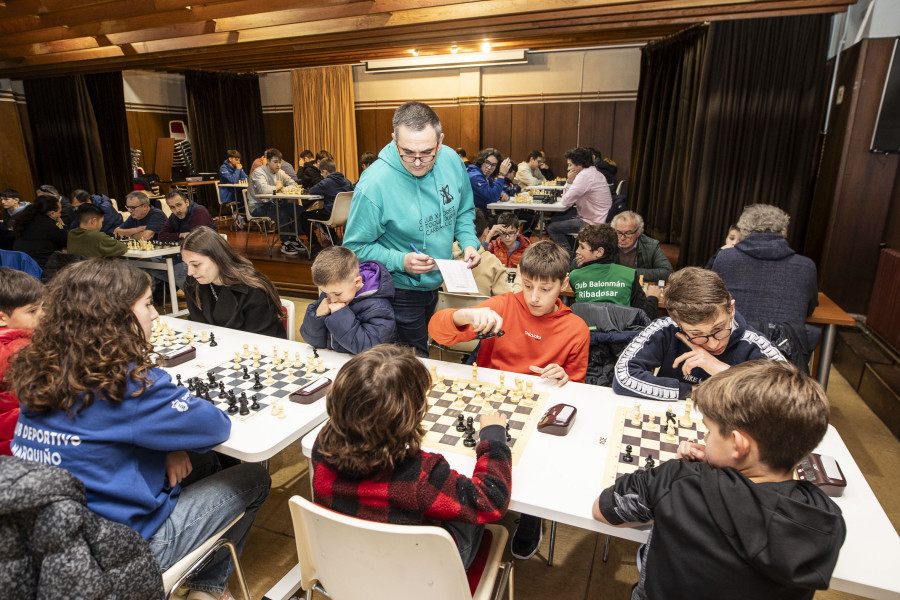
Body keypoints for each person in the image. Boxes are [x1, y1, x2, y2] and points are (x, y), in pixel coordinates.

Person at [7, 260, 271, 600]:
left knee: (202, 463)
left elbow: (110, 431)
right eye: (148, 303)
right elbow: (214, 425)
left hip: (52, 544)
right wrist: (153, 381)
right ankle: (207, 590)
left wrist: (170, 446)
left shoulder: (41, 368)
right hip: (125, 556)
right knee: (255, 479)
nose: (157, 315)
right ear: (116, 316)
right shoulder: (127, 384)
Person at [594, 360, 846, 600]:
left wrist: (683, 473)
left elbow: (603, 509)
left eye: (710, 431)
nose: (705, 439)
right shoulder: (825, 516)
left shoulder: (680, 481)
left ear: (738, 445)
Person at [428, 240, 588, 560]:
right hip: (490, 403)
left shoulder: (576, 329)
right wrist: (462, 314)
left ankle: (532, 517)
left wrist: (565, 377)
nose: (534, 297)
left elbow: (577, 391)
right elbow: (438, 332)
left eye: (545, 288)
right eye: (528, 286)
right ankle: (469, 505)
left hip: (539, 409)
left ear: (563, 283)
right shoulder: (502, 305)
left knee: (539, 461)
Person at [311, 344, 511, 570]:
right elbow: (492, 500)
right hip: (416, 578)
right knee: (466, 511)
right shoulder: (422, 476)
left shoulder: (321, 445)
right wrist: (493, 438)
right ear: (411, 414)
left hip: (341, 563)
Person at [343, 101, 482, 357]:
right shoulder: (374, 183)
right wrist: (401, 260)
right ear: (394, 140)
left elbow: (463, 209)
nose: (418, 162)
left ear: (441, 141)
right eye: (408, 152)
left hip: (435, 281)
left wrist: (468, 241)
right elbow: (353, 247)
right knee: (413, 362)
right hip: (398, 288)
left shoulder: (452, 161)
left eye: (427, 153)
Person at [613, 267, 785, 401]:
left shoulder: (754, 343)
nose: (713, 344)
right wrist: (692, 391)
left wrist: (723, 372)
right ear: (678, 324)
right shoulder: (666, 328)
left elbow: (789, 397)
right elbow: (623, 377)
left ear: (731, 309)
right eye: (696, 334)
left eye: (718, 329)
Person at [712, 204, 820, 351]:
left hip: (732, 351)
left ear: (742, 230)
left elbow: (711, 301)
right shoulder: (806, 266)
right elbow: (809, 310)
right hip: (783, 359)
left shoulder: (725, 258)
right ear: (784, 231)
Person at [181, 226, 287, 339]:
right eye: (186, 264)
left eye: (196, 264)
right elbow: (197, 326)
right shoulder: (192, 284)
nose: (189, 272)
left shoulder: (254, 290)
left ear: (217, 257)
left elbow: (262, 340)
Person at [300, 246, 396, 354]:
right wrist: (317, 316)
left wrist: (340, 315)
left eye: (337, 294)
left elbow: (369, 349)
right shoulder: (331, 295)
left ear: (357, 282)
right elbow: (312, 340)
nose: (332, 299)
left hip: (360, 367)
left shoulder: (379, 307)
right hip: (333, 361)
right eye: (325, 292)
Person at [570, 224, 658, 320]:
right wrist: (652, 297)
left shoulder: (575, 276)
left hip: (586, 332)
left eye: (582, 247)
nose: (577, 251)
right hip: (620, 333)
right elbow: (647, 316)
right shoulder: (629, 275)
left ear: (599, 252)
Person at [0, 267, 42, 455]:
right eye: (32, 311)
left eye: (43, 307)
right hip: (19, 446)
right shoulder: (20, 351)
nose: (42, 315)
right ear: (2, 318)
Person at [547, 147, 612, 255]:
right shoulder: (595, 173)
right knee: (556, 219)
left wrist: (569, 181)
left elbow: (565, 201)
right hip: (600, 218)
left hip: (592, 222)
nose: (568, 168)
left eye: (570, 164)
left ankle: (568, 256)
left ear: (579, 164)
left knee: (552, 228)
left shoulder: (584, 176)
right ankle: (575, 250)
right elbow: (568, 198)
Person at [247, 148, 304, 256]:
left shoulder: (280, 172)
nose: (278, 165)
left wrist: (284, 189)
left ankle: (294, 239)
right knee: (280, 213)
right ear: (268, 161)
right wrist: (276, 187)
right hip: (257, 206)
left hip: (273, 204)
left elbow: (294, 184)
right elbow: (262, 190)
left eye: (280, 162)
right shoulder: (258, 172)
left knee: (298, 210)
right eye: (275, 162)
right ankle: (285, 243)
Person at [449, 209, 512, 297]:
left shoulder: (444, 254)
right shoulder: (492, 262)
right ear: (486, 231)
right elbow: (507, 299)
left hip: (447, 309)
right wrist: (519, 281)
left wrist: (487, 237)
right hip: (481, 309)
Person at [300, 158, 354, 252]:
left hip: (330, 215)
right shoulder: (347, 182)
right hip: (345, 216)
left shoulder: (326, 182)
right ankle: (335, 240)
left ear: (325, 172)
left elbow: (312, 191)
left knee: (304, 216)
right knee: (322, 213)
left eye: (321, 173)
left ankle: (314, 245)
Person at [611, 211, 674, 283]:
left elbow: (668, 273)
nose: (622, 238)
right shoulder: (607, 243)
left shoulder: (651, 246)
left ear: (638, 233)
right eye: (618, 233)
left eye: (628, 233)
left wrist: (629, 272)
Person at [12, 194, 67, 269]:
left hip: (21, 266)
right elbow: (66, 240)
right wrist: (62, 225)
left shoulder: (23, 221)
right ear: (52, 213)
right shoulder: (50, 225)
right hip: (43, 268)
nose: (59, 215)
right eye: (59, 212)